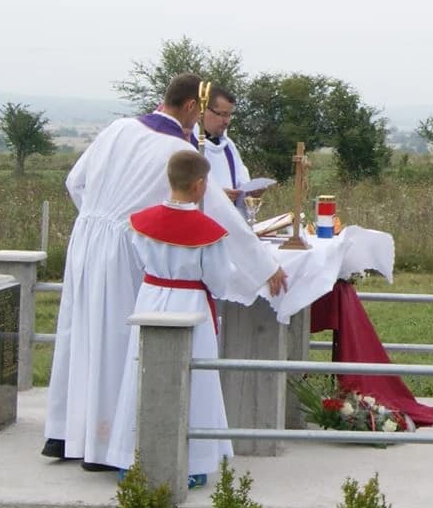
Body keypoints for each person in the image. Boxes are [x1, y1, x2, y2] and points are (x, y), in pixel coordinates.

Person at [44, 74, 284, 469]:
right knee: (119, 341)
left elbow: (76, 182)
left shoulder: (118, 128)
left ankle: (68, 432)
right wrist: (263, 265)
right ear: (192, 106)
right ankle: (107, 447)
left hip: (87, 236)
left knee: (82, 332)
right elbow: (219, 213)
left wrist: (97, 219)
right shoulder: (176, 148)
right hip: (125, 245)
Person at [104, 150, 275, 486]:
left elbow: (140, 260)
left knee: (141, 374)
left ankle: (133, 457)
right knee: (194, 379)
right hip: (192, 304)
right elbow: (218, 279)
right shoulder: (208, 231)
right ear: (199, 185)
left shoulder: (141, 222)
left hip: (151, 298)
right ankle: (192, 463)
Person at [196, 83, 252, 216]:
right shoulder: (188, 144)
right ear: (203, 111)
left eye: (229, 115)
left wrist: (250, 193)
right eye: (222, 114)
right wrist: (217, 198)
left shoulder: (229, 147)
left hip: (228, 224)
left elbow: (242, 184)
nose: (227, 121)